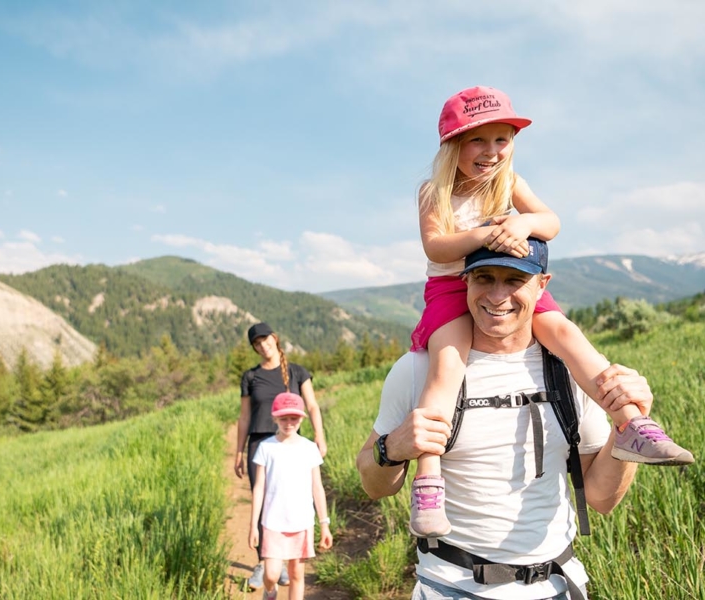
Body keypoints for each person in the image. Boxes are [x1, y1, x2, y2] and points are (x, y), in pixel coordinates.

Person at [408, 85, 693, 538]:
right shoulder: (434, 191)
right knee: (446, 366)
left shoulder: (509, 183)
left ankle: (631, 422)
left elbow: (551, 222)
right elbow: (436, 246)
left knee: (566, 335)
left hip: (509, 274)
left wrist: (522, 222)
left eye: (502, 139)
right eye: (478, 140)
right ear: (453, 145)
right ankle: (428, 482)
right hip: (450, 285)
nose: (491, 151)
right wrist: (486, 235)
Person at [357, 238, 671, 599]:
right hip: (451, 586)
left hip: (558, 584)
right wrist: (392, 447)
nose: (497, 296)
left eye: (514, 280)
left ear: (542, 285)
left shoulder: (570, 372)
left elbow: (601, 497)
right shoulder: (418, 369)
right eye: (484, 277)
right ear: (465, 281)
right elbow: (373, 486)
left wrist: (626, 424)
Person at [235, 322, 328, 590]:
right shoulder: (250, 377)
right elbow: (244, 417)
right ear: (254, 348)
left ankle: (290, 561)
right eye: (256, 343)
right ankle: (265, 563)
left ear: (275, 339)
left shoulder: (297, 372)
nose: (262, 346)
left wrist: (319, 435)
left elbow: (312, 405)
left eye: (265, 340)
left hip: (292, 443)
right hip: (259, 443)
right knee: (265, 500)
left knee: (293, 497)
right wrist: (239, 451)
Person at [248, 392, 333, 600]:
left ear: (301, 419)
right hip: (273, 522)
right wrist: (253, 526)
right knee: (271, 574)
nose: (288, 423)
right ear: (275, 418)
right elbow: (259, 488)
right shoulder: (266, 447)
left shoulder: (309, 448)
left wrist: (324, 524)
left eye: (293, 418)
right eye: (283, 418)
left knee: (296, 574)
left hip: (301, 522)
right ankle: (270, 591)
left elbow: (317, 487)